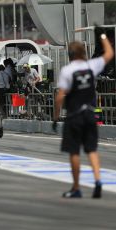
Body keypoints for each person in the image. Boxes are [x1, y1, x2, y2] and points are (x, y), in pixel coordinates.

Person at [53, 32, 114, 198]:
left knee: (74, 152)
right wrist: (102, 35)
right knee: (91, 150)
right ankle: (98, 180)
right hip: (90, 114)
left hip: (74, 116)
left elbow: (60, 96)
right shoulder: (92, 65)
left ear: (70, 55)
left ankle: (76, 187)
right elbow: (109, 53)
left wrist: (56, 116)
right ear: (83, 53)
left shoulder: (67, 70)